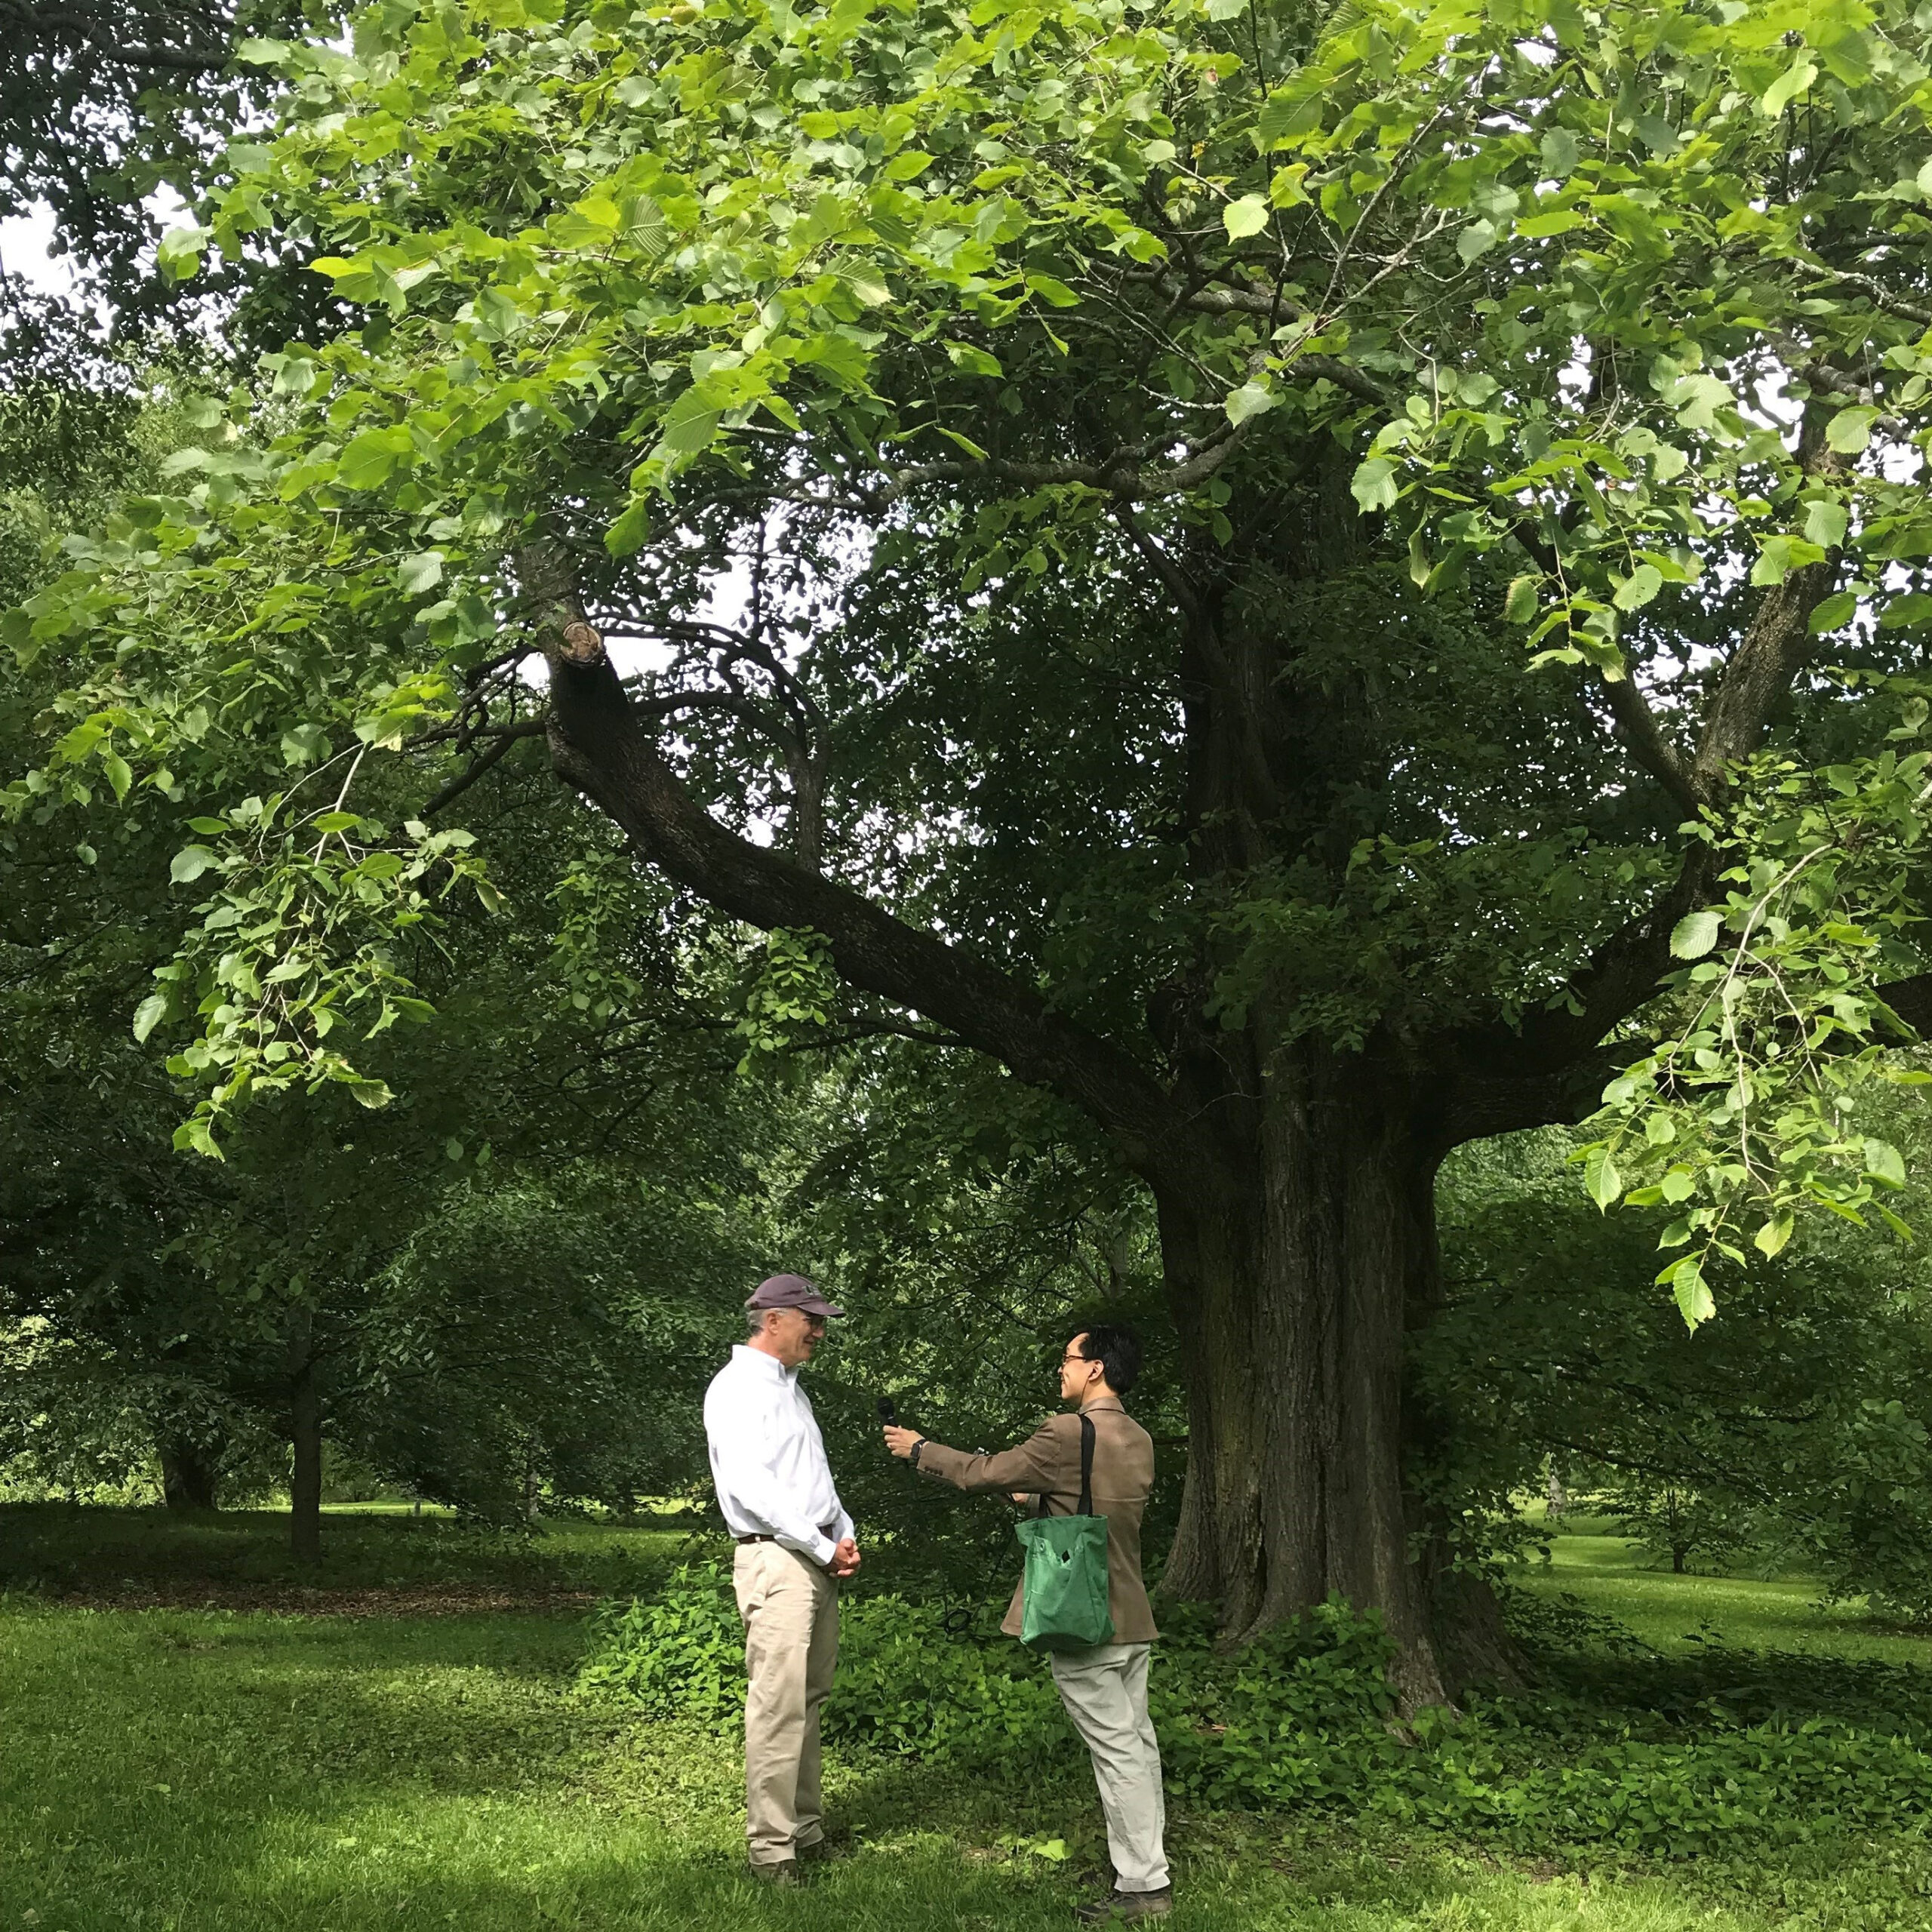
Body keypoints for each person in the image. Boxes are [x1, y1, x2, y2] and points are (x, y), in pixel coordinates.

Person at [883, 1324, 1171, 1923]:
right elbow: (1098, 1508)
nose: (1061, 1368)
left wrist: (919, 1449)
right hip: (1131, 1613)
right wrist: (1039, 1499)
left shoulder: (1067, 1433)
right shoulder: (1138, 1437)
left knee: (1118, 1753)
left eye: (1068, 1358)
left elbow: (983, 1472)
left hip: (1083, 1618)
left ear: (1094, 1368)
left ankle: (1145, 1886)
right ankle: (1140, 1868)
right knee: (1137, 1747)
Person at [703, 1272, 860, 1885]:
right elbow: (753, 1489)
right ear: (772, 1320)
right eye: (810, 1320)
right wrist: (822, 1547)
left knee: (808, 1700)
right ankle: (772, 1852)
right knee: (777, 1707)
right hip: (777, 1558)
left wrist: (842, 1531)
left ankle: (805, 1829)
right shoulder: (737, 1387)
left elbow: (811, 1476)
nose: (819, 1331)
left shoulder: (791, 1388)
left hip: (813, 1555)